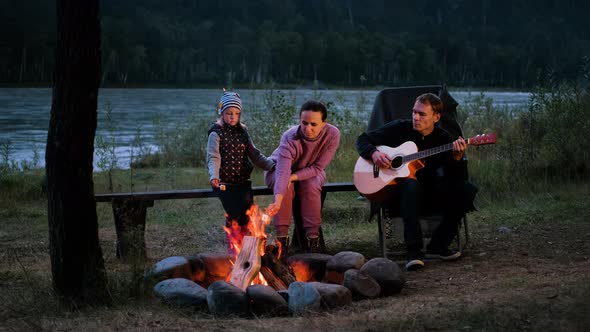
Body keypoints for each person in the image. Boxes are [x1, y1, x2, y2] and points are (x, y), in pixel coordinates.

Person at [356, 93, 477, 271]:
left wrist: (456, 158)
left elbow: (454, 178)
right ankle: (414, 251)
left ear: (436, 117)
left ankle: (438, 245)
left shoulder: (444, 139)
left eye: (422, 114)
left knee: (467, 189)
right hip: (395, 193)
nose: (415, 117)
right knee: (410, 184)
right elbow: (363, 139)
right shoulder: (399, 128)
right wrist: (374, 154)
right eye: (414, 112)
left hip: (429, 193)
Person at [265, 100, 340, 254]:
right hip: (277, 169)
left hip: (311, 171)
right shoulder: (290, 137)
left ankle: (312, 241)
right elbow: (282, 172)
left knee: (311, 185)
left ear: (324, 123)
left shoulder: (332, 134)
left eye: (313, 124)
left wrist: (294, 176)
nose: (308, 128)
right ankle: (282, 243)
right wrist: (277, 201)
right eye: (304, 123)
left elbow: (318, 167)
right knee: (286, 185)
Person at [207, 91, 275, 255]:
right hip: (224, 183)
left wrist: (271, 165)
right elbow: (213, 156)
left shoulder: (243, 132)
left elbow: (255, 154)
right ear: (222, 113)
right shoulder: (216, 133)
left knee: (246, 215)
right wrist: (214, 175)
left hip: (243, 182)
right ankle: (233, 250)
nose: (232, 117)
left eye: (236, 114)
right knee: (233, 214)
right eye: (229, 113)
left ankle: (246, 248)